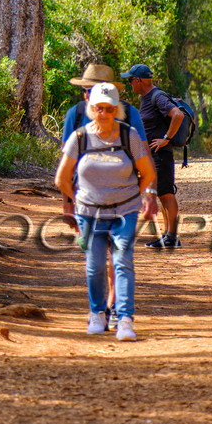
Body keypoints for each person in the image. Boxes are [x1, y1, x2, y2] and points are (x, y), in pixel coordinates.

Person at [55, 82, 158, 341]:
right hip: (89, 213)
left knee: (122, 263)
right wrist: (78, 200)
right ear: (91, 109)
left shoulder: (128, 135)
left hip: (125, 211)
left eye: (109, 109)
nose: (103, 114)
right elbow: (62, 178)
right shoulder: (80, 137)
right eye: (99, 108)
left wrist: (135, 195)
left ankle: (124, 319)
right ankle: (97, 314)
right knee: (95, 266)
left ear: (116, 110)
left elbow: (147, 173)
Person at [121, 64, 186, 250]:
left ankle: (172, 236)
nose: (130, 84)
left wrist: (166, 139)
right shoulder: (147, 98)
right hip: (154, 155)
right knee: (162, 194)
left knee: (166, 193)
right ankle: (168, 235)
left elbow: (178, 115)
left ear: (138, 80)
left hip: (161, 155)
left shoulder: (157, 96)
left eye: (130, 80)